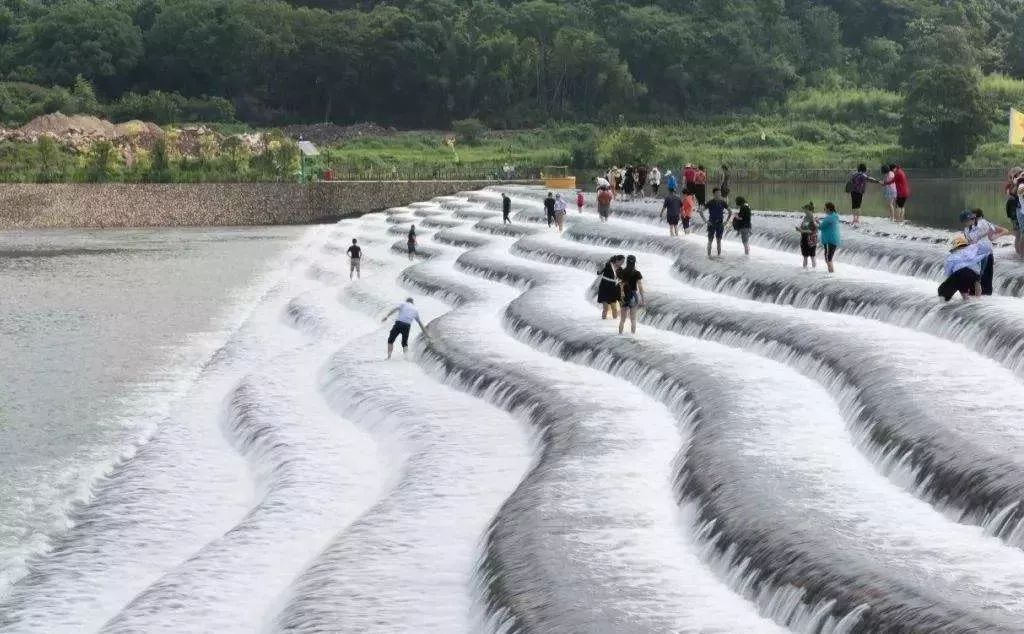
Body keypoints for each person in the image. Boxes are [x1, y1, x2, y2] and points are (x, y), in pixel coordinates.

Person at [961, 208, 1011, 295]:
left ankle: (978, 303)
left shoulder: (980, 224)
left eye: (972, 217)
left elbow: (972, 241)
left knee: (977, 284)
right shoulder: (984, 223)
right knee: (985, 285)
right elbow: (1004, 231)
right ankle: (983, 302)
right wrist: (992, 237)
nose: (971, 219)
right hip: (986, 255)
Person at [939, 235, 991, 301]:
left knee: (949, 288)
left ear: (955, 248)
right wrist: (979, 275)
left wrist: (949, 279)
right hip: (973, 274)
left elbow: (949, 271)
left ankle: (964, 299)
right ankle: (978, 299)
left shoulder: (952, 256)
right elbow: (981, 260)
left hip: (960, 273)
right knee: (975, 283)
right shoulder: (973, 252)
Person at [699, 187, 732, 258]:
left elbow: (730, 211)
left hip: (720, 223)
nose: (719, 194)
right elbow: (701, 211)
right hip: (711, 223)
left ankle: (719, 256)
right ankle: (709, 256)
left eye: (719, 193)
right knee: (710, 240)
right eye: (717, 193)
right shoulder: (710, 202)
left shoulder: (723, 202)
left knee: (719, 241)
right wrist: (706, 221)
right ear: (714, 194)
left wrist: (726, 221)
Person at [617, 255, 645, 335]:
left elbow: (620, 284)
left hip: (623, 296)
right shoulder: (637, 273)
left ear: (627, 262)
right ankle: (632, 336)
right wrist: (643, 300)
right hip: (633, 296)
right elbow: (640, 286)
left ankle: (620, 335)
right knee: (633, 319)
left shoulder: (622, 272)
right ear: (635, 262)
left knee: (622, 319)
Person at [597, 254, 625, 320]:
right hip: (604, 289)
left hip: (614, 290)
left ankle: (613, 324)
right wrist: (600, 271)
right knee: (605, 308)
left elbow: (622, 279)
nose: (623, 263)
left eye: (623, 262)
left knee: (614, 308)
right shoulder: (608, 265)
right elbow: (599, 272)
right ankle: (602, 322)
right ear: (617, 260)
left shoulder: (620, 269)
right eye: (622, 261)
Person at [820, 202, 842, 273]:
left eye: (824, 208)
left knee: (828, 259)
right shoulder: (835, 216)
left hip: (829, 241)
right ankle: (831, 273)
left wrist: (813, 222)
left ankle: (831, 274)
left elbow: (820, 227)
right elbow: (826, 226)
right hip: (834, 240)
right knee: (829, 258)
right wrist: (818, 222)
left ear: (828, 209)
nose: (824, 210)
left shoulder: (828, 218)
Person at [796, 203, 818, 269]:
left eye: (805, 209)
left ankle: (814, 271)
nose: (804, 211)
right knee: (805, 256)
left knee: (812, 256)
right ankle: (804, 272)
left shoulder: (812, 218)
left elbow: (812, 231)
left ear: (808, 210)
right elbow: (803, 227)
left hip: (811, 240)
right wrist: (799, 229)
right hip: (804, 239)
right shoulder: (805, 218)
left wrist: (801, 231)